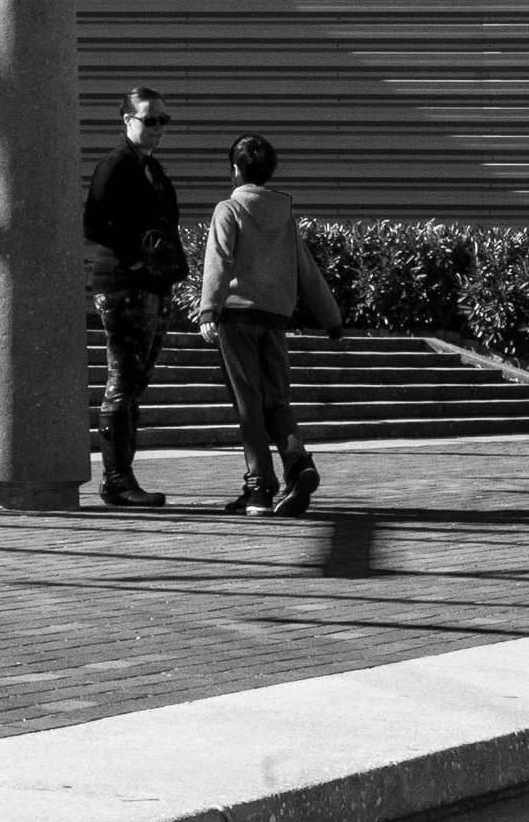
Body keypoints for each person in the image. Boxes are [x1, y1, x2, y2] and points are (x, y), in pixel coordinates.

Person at [199, 133, 343, 517]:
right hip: (275, 320)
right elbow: (307, 271)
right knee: (277, 401)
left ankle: (259, 488)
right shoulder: (285, 217)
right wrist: (331, 319)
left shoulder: (229, 210)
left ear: (234, 170)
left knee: (248, 404)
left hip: (237, 319)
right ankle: (299, 464)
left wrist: (209, 310)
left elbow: (219, 260)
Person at [83, 86, 189, 509]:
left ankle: (121, 479)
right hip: (122, 283)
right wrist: (137, 257)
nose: (158, 127)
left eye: (164, 119)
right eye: (150, 119)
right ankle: (116, 480)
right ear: (127, 119)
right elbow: (93, 224)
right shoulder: (115, 165)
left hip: (152, 285)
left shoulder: (153, 170)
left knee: (136, 381)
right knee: (124, 379)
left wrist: (171, 267)